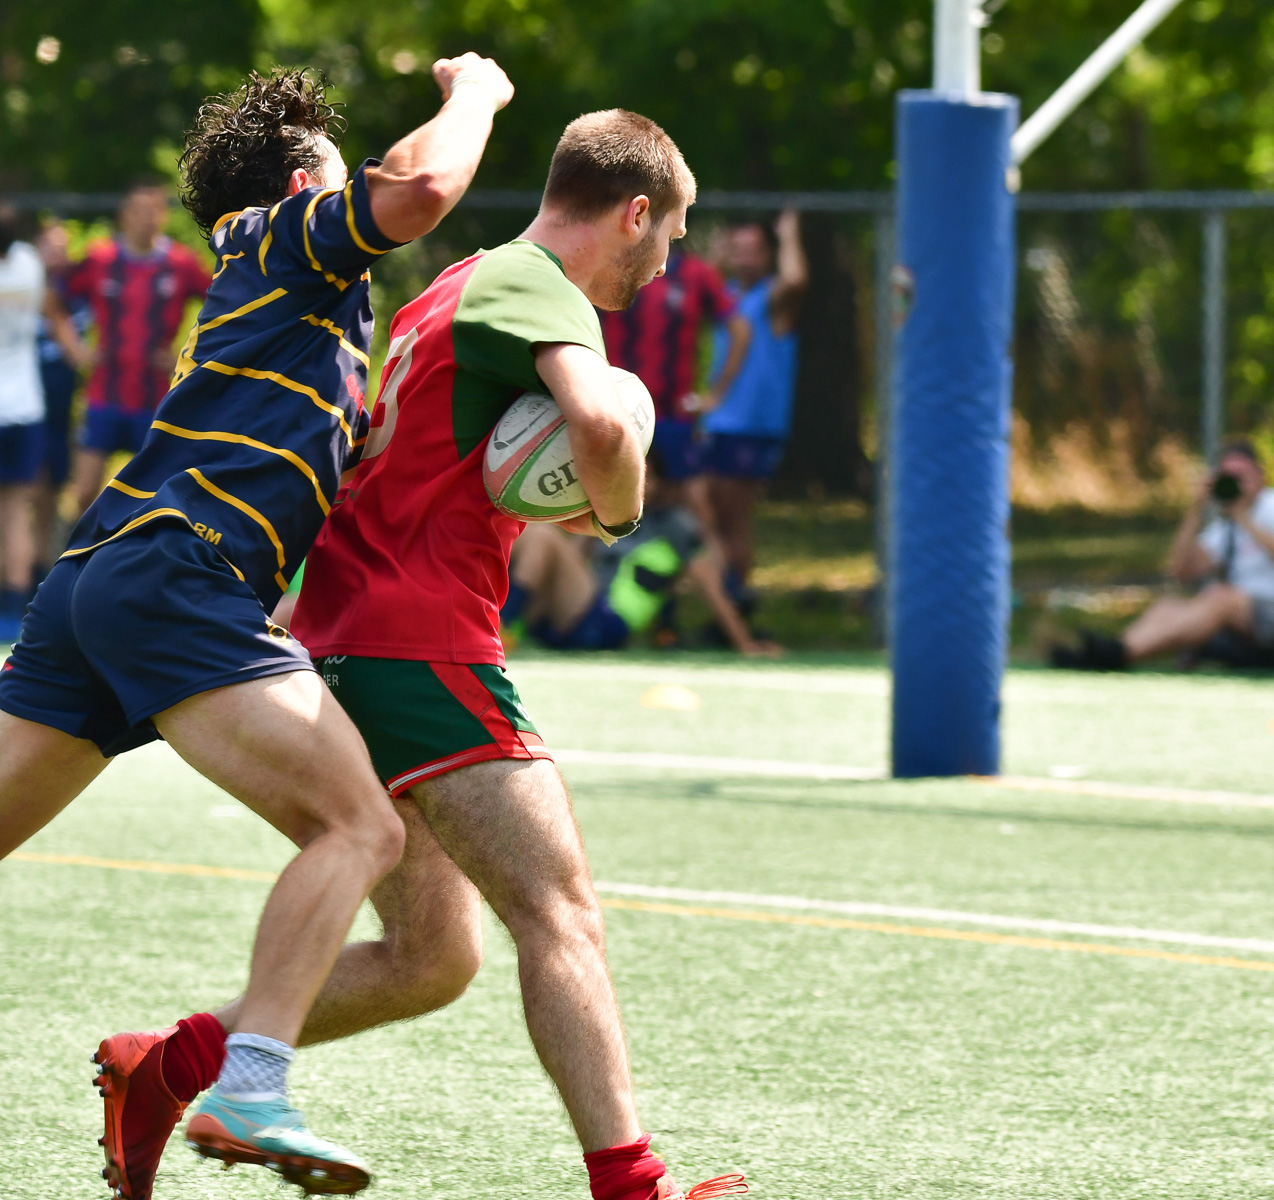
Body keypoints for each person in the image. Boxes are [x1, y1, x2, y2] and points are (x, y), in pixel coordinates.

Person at [109, 111, 745, 1200]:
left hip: (343, 634)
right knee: (559, 910)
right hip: (418, 643)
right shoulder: (542, 284)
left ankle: (166, 1069)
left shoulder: (456, 284)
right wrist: (616, 509)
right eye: (670, 236)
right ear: (634, 213)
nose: (666, 262)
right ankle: (633, 1186)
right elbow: (600, 428)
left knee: (433, 956)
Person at [0, 59, 510, 1196]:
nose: (366, 179)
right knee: (361, 830)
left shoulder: (278, 290)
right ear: (300, 178)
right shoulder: (288, 238)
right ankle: (251, 1082)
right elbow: (423, 191)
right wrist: (477, 91)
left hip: (100, 578)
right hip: (181, 578)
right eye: (346, 165)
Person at [1051, 441, 1274, 672]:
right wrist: (1196, 508)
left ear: (1260, 476)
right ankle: (1111, 653)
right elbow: (1181, 571)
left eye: (1241, 477)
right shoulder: (1226, 526)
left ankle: (1117, 655)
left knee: (1221, 597)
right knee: (1171, 607)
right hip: (1256, 638)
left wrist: (1244, 517)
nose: (1235, 484)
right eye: (1227, 477)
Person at [507, 451, 783, 658]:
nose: (640, 483)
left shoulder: (675, 524)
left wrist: (744, 643)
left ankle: (500, 629)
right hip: (565, 614)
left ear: (660, 483)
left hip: (605, 622)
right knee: (526, 529)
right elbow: (570, 561)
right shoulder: (609, 514)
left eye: (647, 476)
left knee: (541, 535)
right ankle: (488, 624)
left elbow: (709, 584)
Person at [63, 179, 214, 513]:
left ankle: (137, 559)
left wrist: (187, 356)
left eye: (155, 210)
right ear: (124, 215)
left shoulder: (180, 263)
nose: (148, 218)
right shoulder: (100, 258)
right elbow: (55, 298)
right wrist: (76, 350)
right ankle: (74, 555)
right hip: (105, 391)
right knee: (85, 490)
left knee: (154, 494)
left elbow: (224, 304)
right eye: (140, 210)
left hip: (155, 395)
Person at [698, 209, 808, 607]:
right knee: (703, 514)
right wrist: (719, 253)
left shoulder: (772, 301)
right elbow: (696, 285)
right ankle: (725, 602)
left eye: (753, 251)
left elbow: (796, 280)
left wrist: (789, 234)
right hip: (718, 423)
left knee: (732, 520)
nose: (744, 259)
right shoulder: (726, 297)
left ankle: (736, 606)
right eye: (738, 250)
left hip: (750, 428)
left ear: (768, 255)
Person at [598, 222, 750, 500]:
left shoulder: (696, 274)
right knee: (604, 506)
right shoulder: (609, 265)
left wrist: (715, 396)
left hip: (674, 415)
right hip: (617, 412)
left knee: (692, 510)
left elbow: (740, 330)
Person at [0, 205, 81, 642]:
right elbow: (57, 318)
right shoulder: (30, 267)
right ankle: (14, 610)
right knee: (16, 511)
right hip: (25, 406)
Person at [33, 220, 92, 593]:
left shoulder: (78, 295)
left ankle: (54, 574)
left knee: (60, 491)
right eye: (50, 246)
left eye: (63, 247)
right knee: (32, 494)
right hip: (30, 408)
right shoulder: (24, 291)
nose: (58, 254)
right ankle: (26, 580)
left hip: (67, 409)